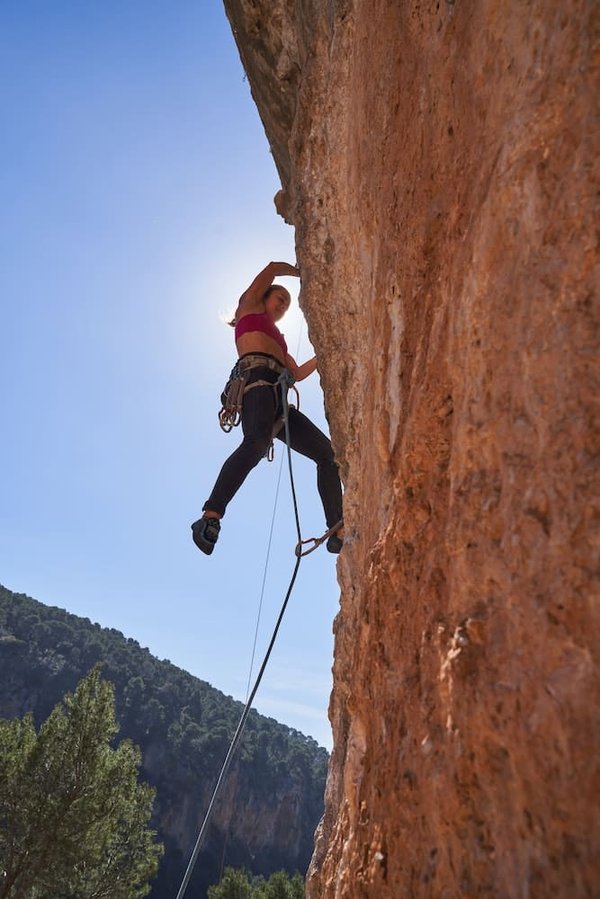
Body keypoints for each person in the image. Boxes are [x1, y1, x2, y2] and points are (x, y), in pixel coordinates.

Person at [191, 261, 343, 555]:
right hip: (257, 382)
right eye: (279, 298)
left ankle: (337, 528)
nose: (283, 304)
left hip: (278, 397)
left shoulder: (279, 340)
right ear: (264, 296)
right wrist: (301, 271)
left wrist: (325, 353)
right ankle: (210, 517)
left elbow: (296, 373)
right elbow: (272, 268)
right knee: (256, 443)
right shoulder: (249, 307)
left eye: (287, 303)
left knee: (327, 454)